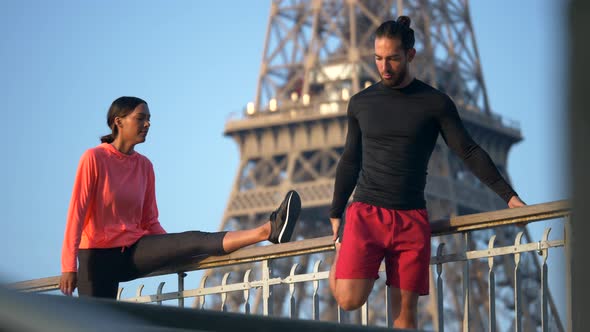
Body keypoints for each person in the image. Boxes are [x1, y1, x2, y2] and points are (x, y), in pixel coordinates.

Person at [328, 17, 526, 329]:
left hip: (410, 220)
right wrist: (337, 211)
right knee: (349, 299)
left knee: (406, 320)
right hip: (366, 214)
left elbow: (468, 151)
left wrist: (509, 196)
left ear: (410, 55)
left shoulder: (435, 103)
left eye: (393, 58)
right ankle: (340, 254)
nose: (385, 67)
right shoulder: (361, 103)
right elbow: (351, 159)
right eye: (378, 59)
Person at [59, 96, 301, 299]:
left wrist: (171, 250)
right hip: (96, 259)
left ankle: (267, 231)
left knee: (193, 240)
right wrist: (68, 267)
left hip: (132, 249)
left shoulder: (145, 166)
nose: (147, 124)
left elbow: (149, 220)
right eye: (140, 118)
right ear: (118, 121)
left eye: (149, 119)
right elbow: (76, 216)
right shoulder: (93, 158)